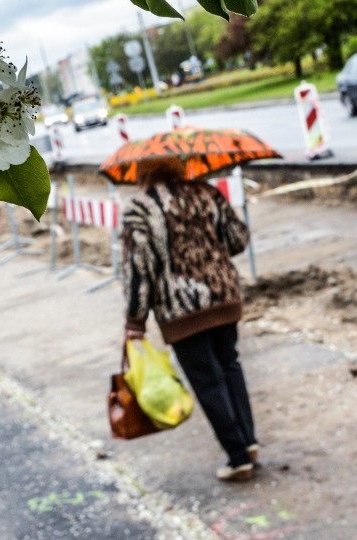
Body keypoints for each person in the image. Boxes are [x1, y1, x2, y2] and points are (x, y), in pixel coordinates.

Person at [121, 158, 257, 482]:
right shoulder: (207, 192)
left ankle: (238, 458)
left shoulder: (140, 208)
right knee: (230, 366)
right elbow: (238, 240)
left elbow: (140, 268)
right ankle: (248, 444)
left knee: (208, 379)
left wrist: (135, 321)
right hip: (224, 296)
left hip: (181, 309)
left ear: (142, 172)